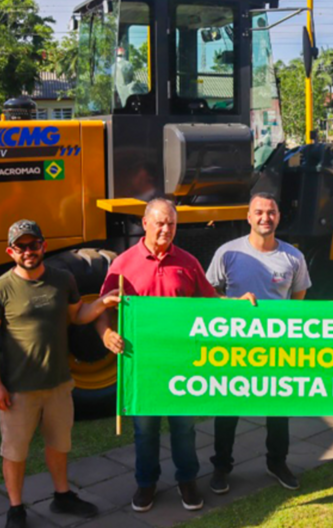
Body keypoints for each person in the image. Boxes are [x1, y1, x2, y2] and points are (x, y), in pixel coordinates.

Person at [97, 198, 254, 513]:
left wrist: (236, 304)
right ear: (145, 223)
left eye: (171, 224)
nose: (166, 229)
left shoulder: (187, 261)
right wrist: (106, 334)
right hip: (143, 365)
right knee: (145, 430)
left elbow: (209, 302)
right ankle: (146, 483)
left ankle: (187, 480)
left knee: (184, 427)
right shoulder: (123, 264)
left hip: (181, 363)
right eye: (160, 223)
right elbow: (102, 306)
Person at [0, 220, 120, 528]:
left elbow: (77, 315)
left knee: (59, 444)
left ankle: (63, 496)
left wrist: (101, 303)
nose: (28, 251)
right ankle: (16, 508)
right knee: (15, 452)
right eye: (21, 247)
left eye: (33, 245)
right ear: (10, 252)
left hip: (59, 384)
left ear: (43, 246)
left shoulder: (63, 279)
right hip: (18, 389)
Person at [206, 192, 312, 495]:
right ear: (249, 217)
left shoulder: (293, 257)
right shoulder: (228, 253)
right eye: (259, 212)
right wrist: (232, 303)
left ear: (278, 217)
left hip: (276, 347)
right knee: (228, 408)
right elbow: (208, 295)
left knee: (277, 408)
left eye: (271, 212)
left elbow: (298, 299)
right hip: (235, 345)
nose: (265, 217)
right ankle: (221, 467)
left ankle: (277, 462)